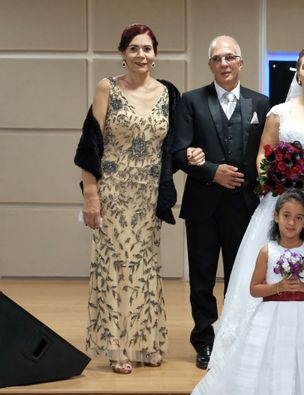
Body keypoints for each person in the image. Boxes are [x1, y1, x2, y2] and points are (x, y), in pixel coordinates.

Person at [207, 46, 304, 374]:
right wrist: (274, 175)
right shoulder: (279, 113)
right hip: (286, 197)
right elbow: (263, 154)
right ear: (298, 74)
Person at [184, 189, 304, 395]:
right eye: (286, 216)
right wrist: (278, 286)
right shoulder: (267, 251)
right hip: (273, 318)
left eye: (299, 218)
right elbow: (254, 289)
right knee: (273, 368)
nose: (291, 223)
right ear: (275, 217)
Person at [74, 23, 179, 374]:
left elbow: (172, 147)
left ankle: (147, 342)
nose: (141, 55)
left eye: (147, 48)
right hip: (114, 193)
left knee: (146, 267)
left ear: (155, 54)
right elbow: (90, 144)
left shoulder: (168, 93)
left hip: (149, 195)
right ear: (122, 53)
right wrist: (91, 195)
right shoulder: (108, 88)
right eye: (133, 48)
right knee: (116, 267)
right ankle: (116, 346)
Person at [172, 35, 270, 369]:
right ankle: (204, 341)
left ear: (241, 62)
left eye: (230, 58)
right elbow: (178, 152)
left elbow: (266, 155)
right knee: (201, 279)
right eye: (217, 58)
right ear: (210, 64)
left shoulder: (261, 104)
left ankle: (234, 337)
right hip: (202, 204)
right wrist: (212, 171)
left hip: (245, 207)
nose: (224, 64)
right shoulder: (191, 101)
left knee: (239, 277)